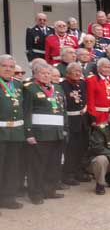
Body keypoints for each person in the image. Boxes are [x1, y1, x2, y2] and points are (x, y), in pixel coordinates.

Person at [23, 63, 67, 204]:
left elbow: (63, 111)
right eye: (43, 73)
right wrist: (29, 133)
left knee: (53, 164)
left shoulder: (58, 88)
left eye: (48, 73)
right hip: (39, 134)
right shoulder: (29, 89)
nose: (46, 76)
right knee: (37, 166)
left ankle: (50, 190)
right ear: (35, 74)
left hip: (57, 134)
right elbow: (26, 112)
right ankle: (35, 193)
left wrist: (65, 129)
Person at [0, 55, 25, 210]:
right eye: (4, 66)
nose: (8, 69)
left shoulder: (17, 84)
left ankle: (8, 198)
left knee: (12, 167)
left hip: (15, 133)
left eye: (11, 66)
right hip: (0, 132)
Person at [59, 63, 91, 184]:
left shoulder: (82, 83)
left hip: (83, 121)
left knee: (82, 148)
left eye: (79, 70)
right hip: (71, 121)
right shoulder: (62, 85)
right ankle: (68, 175)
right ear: (68, 72)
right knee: (71, 150)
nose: (78, 73)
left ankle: (79, 172)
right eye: (75, 71)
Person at [86, 58, 110, 125]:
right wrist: (93, 117)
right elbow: (90, 100)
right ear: (98, 68)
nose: (107, 69)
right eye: (105, 67)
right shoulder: (92, 80)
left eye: (109, 67)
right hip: (99, 115)